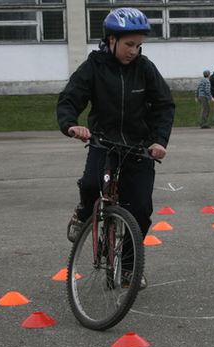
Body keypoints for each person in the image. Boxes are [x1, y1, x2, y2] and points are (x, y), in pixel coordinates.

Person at [57, 8, 175, 287]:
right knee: (90, 184)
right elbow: (70, 98)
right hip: (103, 142)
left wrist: (159, 141)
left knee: (141, 211)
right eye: (128, 44)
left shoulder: (145, 69)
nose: (134, 51)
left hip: (138, 147)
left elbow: (164, 105)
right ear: (110, 40)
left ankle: (128, 267)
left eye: (138, 45)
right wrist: (71, 125)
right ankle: (83, 212)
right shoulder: (94, 67)